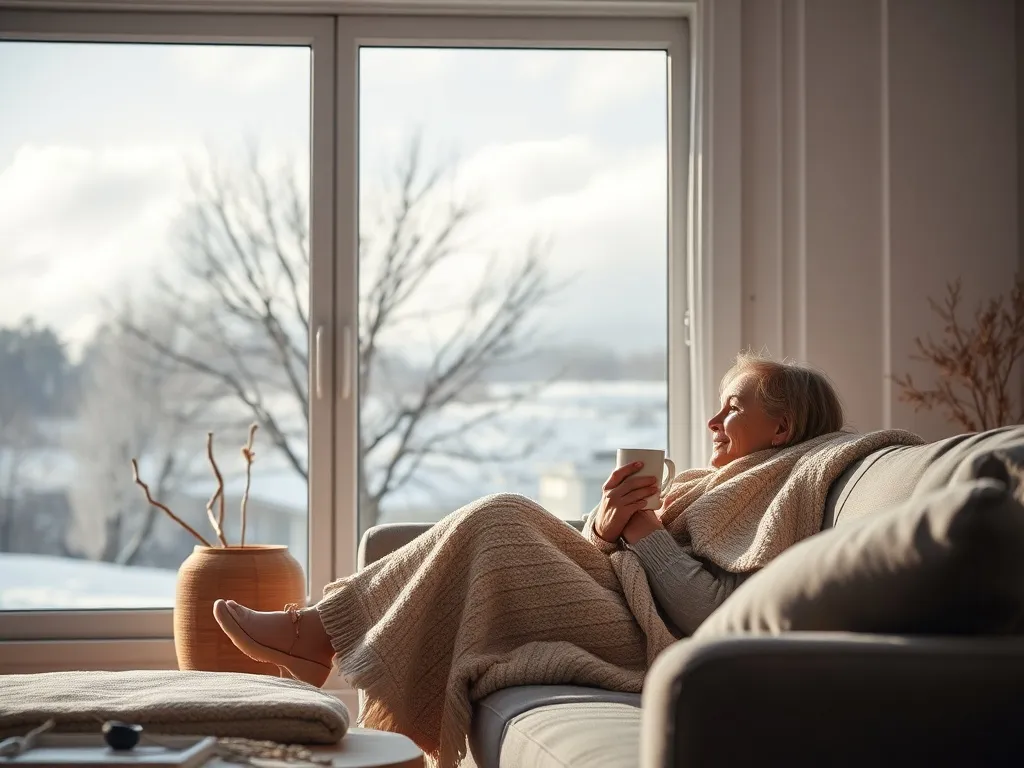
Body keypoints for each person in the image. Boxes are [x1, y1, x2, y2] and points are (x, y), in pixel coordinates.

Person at [213, 352, 915, 768]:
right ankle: (317, 634)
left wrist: (641, 538)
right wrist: (607, 528)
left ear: (782, 427)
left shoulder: (783, 489)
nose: (711, 423)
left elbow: (715, 614)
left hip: (651, 642)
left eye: (731, 409)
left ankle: (317, 633)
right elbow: (622, 559)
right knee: (504, 517)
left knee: (502, 516)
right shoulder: (714, 483)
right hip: (623, 603)